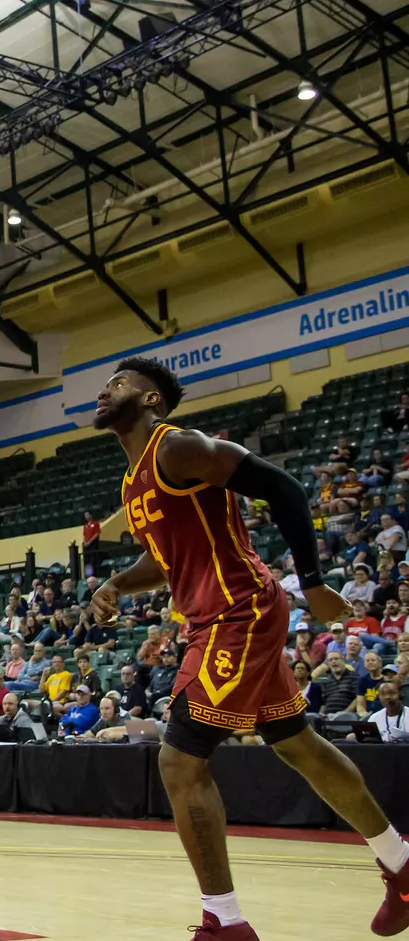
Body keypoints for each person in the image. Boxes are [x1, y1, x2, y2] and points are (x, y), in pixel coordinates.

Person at [89, 356, 409, 938]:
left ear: (151, 399)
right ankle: (403, 864)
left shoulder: (176, 446)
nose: (105, 392)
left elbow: (281, 486)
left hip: (238, 612)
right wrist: (115, 582)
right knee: (299, 747)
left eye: (118, 384)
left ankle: (224, 924)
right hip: (216, 619)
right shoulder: (133, 479)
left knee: (180, 759)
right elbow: (163, 561)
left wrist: (312, 582)